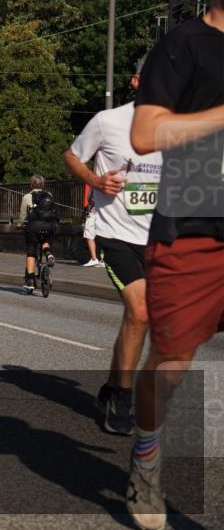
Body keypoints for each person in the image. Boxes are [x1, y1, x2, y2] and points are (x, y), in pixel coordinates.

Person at [124, 0, 224, 530]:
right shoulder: (183, 45)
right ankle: (146, 456)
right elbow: (145, 134)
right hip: (195, 229)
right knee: (171, 363)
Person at [63, 59, 163, 436]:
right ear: (136, 81)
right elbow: (72, 156)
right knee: (140, 311)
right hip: (115, 234)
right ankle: (122, 398)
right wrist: (95, 181)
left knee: (141, 319)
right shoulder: (108, 122)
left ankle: (109, 387)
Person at [19, 174, 58, 292]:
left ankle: (30, 280)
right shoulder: (49, 195)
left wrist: (20, 225)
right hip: (49, 226)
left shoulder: (27, 196)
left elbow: (23, 215)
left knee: (31, 250)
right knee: (45, 241)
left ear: (31, 185)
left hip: (34, 227)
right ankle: (49, 254)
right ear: (43, 185)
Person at [81, 186, 103, 267]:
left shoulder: (96, 186)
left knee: (89, 233)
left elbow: (92, 200)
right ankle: (102, 260)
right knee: (102, 234)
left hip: (94, 210)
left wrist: (88, 208)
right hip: (103, 211)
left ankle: (94, 259)